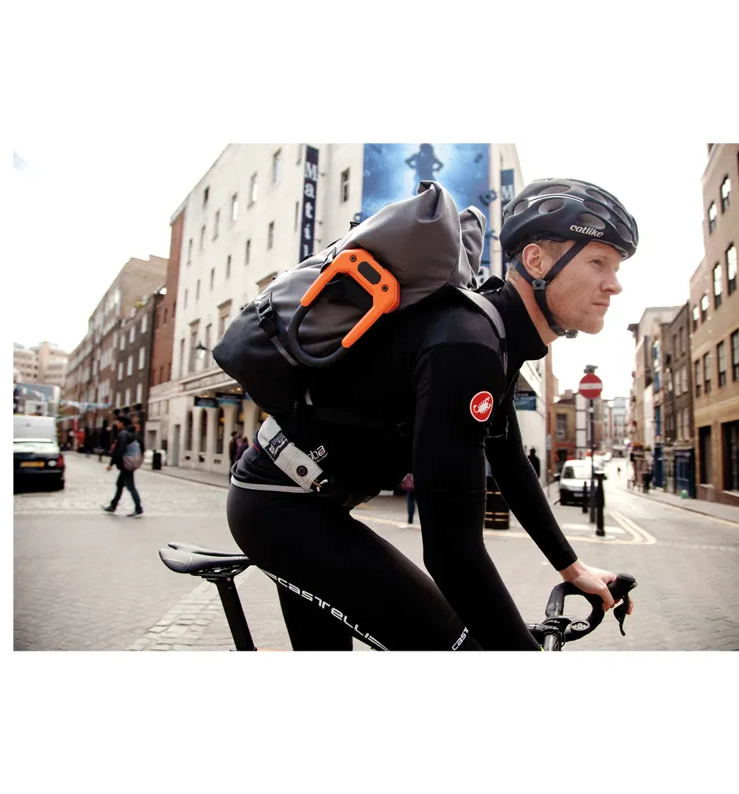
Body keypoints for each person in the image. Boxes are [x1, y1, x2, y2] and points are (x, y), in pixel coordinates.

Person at [226, 177, 637, 650]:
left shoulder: (494, 337)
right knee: (456, 647)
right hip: (278, 506)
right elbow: (451, 555)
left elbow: (509, 461)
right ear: (536, 261)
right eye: (598, 262)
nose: (615, 283)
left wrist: (571, 566)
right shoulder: (468, 344)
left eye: (616, 267)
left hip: (309, 504)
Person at [102, 415, 144, 517]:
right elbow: (142, 447)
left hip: (126, 464)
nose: (116, 424)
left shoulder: (124, 434)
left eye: (118, 422)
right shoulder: (134, 434)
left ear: (122, 423)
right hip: (132, 462)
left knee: (130, 486)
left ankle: (138, 508)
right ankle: (113, 506)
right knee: (119, 484)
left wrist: (112, 464)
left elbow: (119, 450)